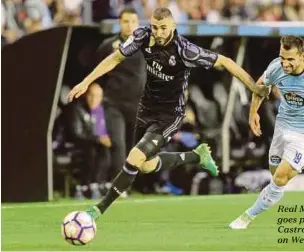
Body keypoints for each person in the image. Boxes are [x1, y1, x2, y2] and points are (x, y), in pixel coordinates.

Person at [67, 7, 269, 220]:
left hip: (170, 114)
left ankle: (98, 210)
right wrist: (86, 81)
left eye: (163, 28)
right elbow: (115, 58)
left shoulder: (185, 50)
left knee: (134, 158)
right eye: (155, 27)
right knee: (145, 165)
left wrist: (254, 88)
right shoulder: (142, 36)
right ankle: (195, 155)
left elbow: (225, 62)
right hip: (146, 108)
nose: (159, 32)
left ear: (173, 26)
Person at [229, 35, 304, 229]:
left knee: (280, 178)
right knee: (275, 174)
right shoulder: (276, 68)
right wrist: (253, 113)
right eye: (282, 57)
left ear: (302, 56)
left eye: (290, 59)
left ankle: (247, 216)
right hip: (283, 125)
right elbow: (260, 85)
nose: (285, 63)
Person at [96, 8, 146, 182]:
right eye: (125, 21)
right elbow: (98, 72)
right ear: (119, 23)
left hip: (137, 103)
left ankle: (140, 184)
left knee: (136, 147)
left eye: (133, 21)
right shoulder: (108, 46)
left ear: (138, 24)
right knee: (118, 144)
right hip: (114, 103)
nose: (129, 25)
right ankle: (119, 186)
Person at [69, 83, 111, 199]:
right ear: (86, 96)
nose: (94, 99)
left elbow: (100, 132)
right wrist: (98, 139)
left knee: (105, 151)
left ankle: (97, 184)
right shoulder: (78, 109)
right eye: (91, 95)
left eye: (98, 96)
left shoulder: (100, 111)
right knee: (91, 151)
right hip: (81, 144)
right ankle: (85, 185)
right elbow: (76, 133)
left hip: (96, 144)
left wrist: (104, 138)